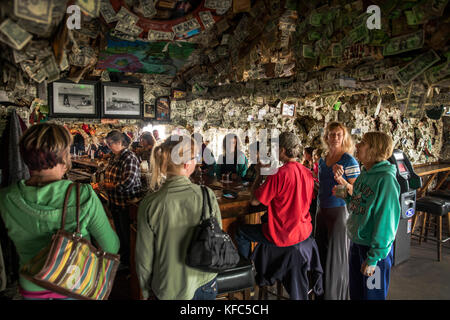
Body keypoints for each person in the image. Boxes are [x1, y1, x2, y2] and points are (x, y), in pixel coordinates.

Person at [0, 123, 119, 300]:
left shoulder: (6, 197)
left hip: (33, 284)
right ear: (64, 155)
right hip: (75, 281)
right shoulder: (82, 195)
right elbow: (111, 246)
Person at [136, 135, 222, 300]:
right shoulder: (206, 195)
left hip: (168, 287)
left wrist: (145, 291)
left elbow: (143, 257)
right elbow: (217, 236)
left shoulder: (150, 204)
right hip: (205, 280)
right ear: (186, 163)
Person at [333, 132, 400, 300]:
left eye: (362, 143)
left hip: (373, 251)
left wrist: (374, 258)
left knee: (373, 296)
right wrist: (347, 196)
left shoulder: (386, 180)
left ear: (374, 150)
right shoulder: (365, 173)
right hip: (357, 244)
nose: (357, 145)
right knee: (356, 293)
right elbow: (359, 205)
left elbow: (387, 222)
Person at [236, 132, 315, 259]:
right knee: (264, 220)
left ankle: (247, 269)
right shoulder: (308, 173)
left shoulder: (278, 174)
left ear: (282, 150)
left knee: (241, 232)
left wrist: (259, 174)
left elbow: (254, 201)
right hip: (304, 230)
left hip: (283, 233)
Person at [315, 121, 360, 300]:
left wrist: (341, 180)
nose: (334, 137)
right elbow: (322, 185)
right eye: (331, 134)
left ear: (344, 137)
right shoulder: (322, 159)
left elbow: (356, 192)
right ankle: (320, 291)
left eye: (338, 134)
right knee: (320, 253)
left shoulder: (349, 160)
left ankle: (335, 295)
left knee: (336, 257)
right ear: (326, 137)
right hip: (321, 211)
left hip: (339, 212)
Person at [102, 130, 142, 270]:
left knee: (127, 236)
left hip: (126, 203)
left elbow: (129, 182)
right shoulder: (115, 156)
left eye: (110, 144)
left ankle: (129, 264)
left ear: (120, 142)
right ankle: (123, 260)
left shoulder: (129, 157)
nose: (108, 146)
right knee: (119, 234)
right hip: (115, 202)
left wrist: (110, 186)